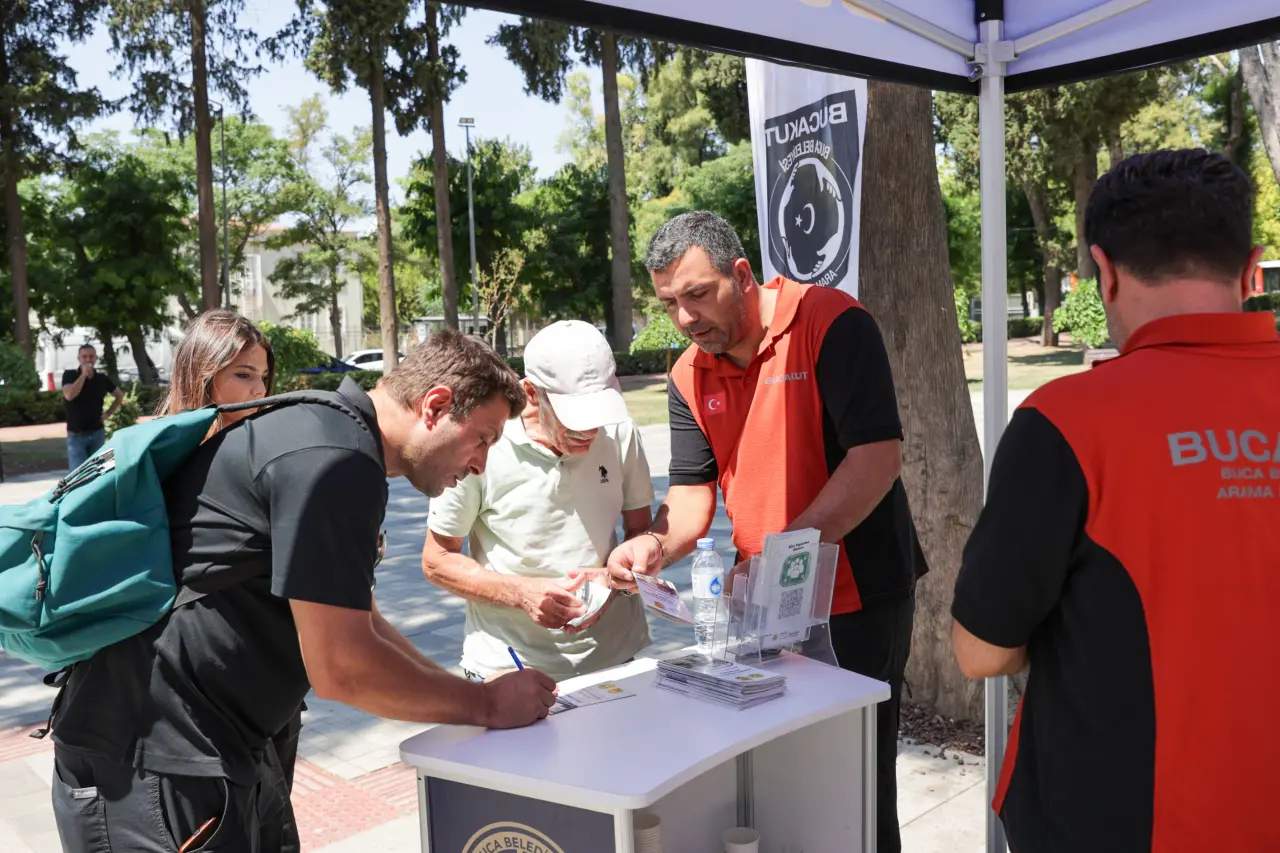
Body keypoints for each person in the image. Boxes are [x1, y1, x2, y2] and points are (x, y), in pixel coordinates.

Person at [49, 329, 558, 852]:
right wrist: (483, 705)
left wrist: (473, 694)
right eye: (484, 438)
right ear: (435, 405)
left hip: (215, 749)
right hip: (147, 763)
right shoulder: (334, 459)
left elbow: (364, 625)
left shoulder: (332, 431)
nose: (481, 463)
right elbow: (342, 669)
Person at [950, 149, 1280, 851]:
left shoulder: (1069, 421)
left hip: (1114, 821)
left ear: (1102, 271)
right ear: (1251, 268)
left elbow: (980, 650)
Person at [606, 211, 926, 853]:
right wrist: (656, 544)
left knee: (858, 779)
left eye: (698, 295)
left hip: (860, 596)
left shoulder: (832, 322)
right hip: (766, 607)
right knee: (782, 772)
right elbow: (694, 493)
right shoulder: (687, 375)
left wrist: (784, 554)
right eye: (670, 303)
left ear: (742, 275)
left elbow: (876, 460)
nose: (685, 319)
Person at [423, 320, 655, 682]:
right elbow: (437, 560)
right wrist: (521, 594)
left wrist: (618, 577)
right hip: (510, 669)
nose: (591, 432)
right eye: (576, 419)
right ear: (531, 393)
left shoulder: (620, 430)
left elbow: (640, 530)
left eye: (599, 414)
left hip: (618, 658)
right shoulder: (482, 442)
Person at [61, 343, 125, 470]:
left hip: (98, 433)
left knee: (104, 471)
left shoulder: (102, 378)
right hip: (76, 435)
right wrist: (83, 376)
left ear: (96, 358)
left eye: (91, 356)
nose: (88, 360)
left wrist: (108, 414)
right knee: (77, 474)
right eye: (84, 357)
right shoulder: (69, 375)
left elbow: (119, 396)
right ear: (79, 359)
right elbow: (69, 395)